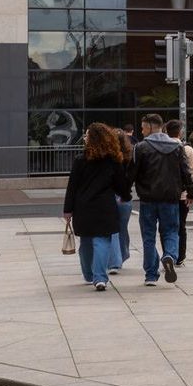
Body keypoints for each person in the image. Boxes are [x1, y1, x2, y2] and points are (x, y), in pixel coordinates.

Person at [63, 122, 133, 291]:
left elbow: (72, 186)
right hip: (105, 206)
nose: (85, 138)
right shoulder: (113, 160)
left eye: (87, 135)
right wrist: (125, 196)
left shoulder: (80, 160)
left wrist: (68, 209)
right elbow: (120, 184)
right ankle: (100, 277)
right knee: (102, 241)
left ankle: (88, 274)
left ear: (92, 139)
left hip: (83, 207)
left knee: (86, 241)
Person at [133, 113, 193, 285]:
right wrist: (190, 192)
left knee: (148, 236)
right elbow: (185, 171)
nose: (142, 131)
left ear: (151, 127)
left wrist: (124, 192)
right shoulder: (177, 147)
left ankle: (151, 275)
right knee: (171, 231)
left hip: (147, 199)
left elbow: (132, 172)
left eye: (144, 127)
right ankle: (169, 256)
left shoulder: (141, 147)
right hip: (170, 198)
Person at [165, 119, 193, 266]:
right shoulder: (187, 149)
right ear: (181, 132)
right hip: (183, 194)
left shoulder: (162, 148)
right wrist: (191, 192)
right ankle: (180, 256)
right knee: (181, 225)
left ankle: (168, 253)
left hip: (165, 193)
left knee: (167, 226)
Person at [113, 128, 135, 268]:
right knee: (122, 227)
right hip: (125, 196)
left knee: (112, 229)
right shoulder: (129, 157)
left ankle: (115, 258)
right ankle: (123, 254)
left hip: (112, 195)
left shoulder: (109, 158)